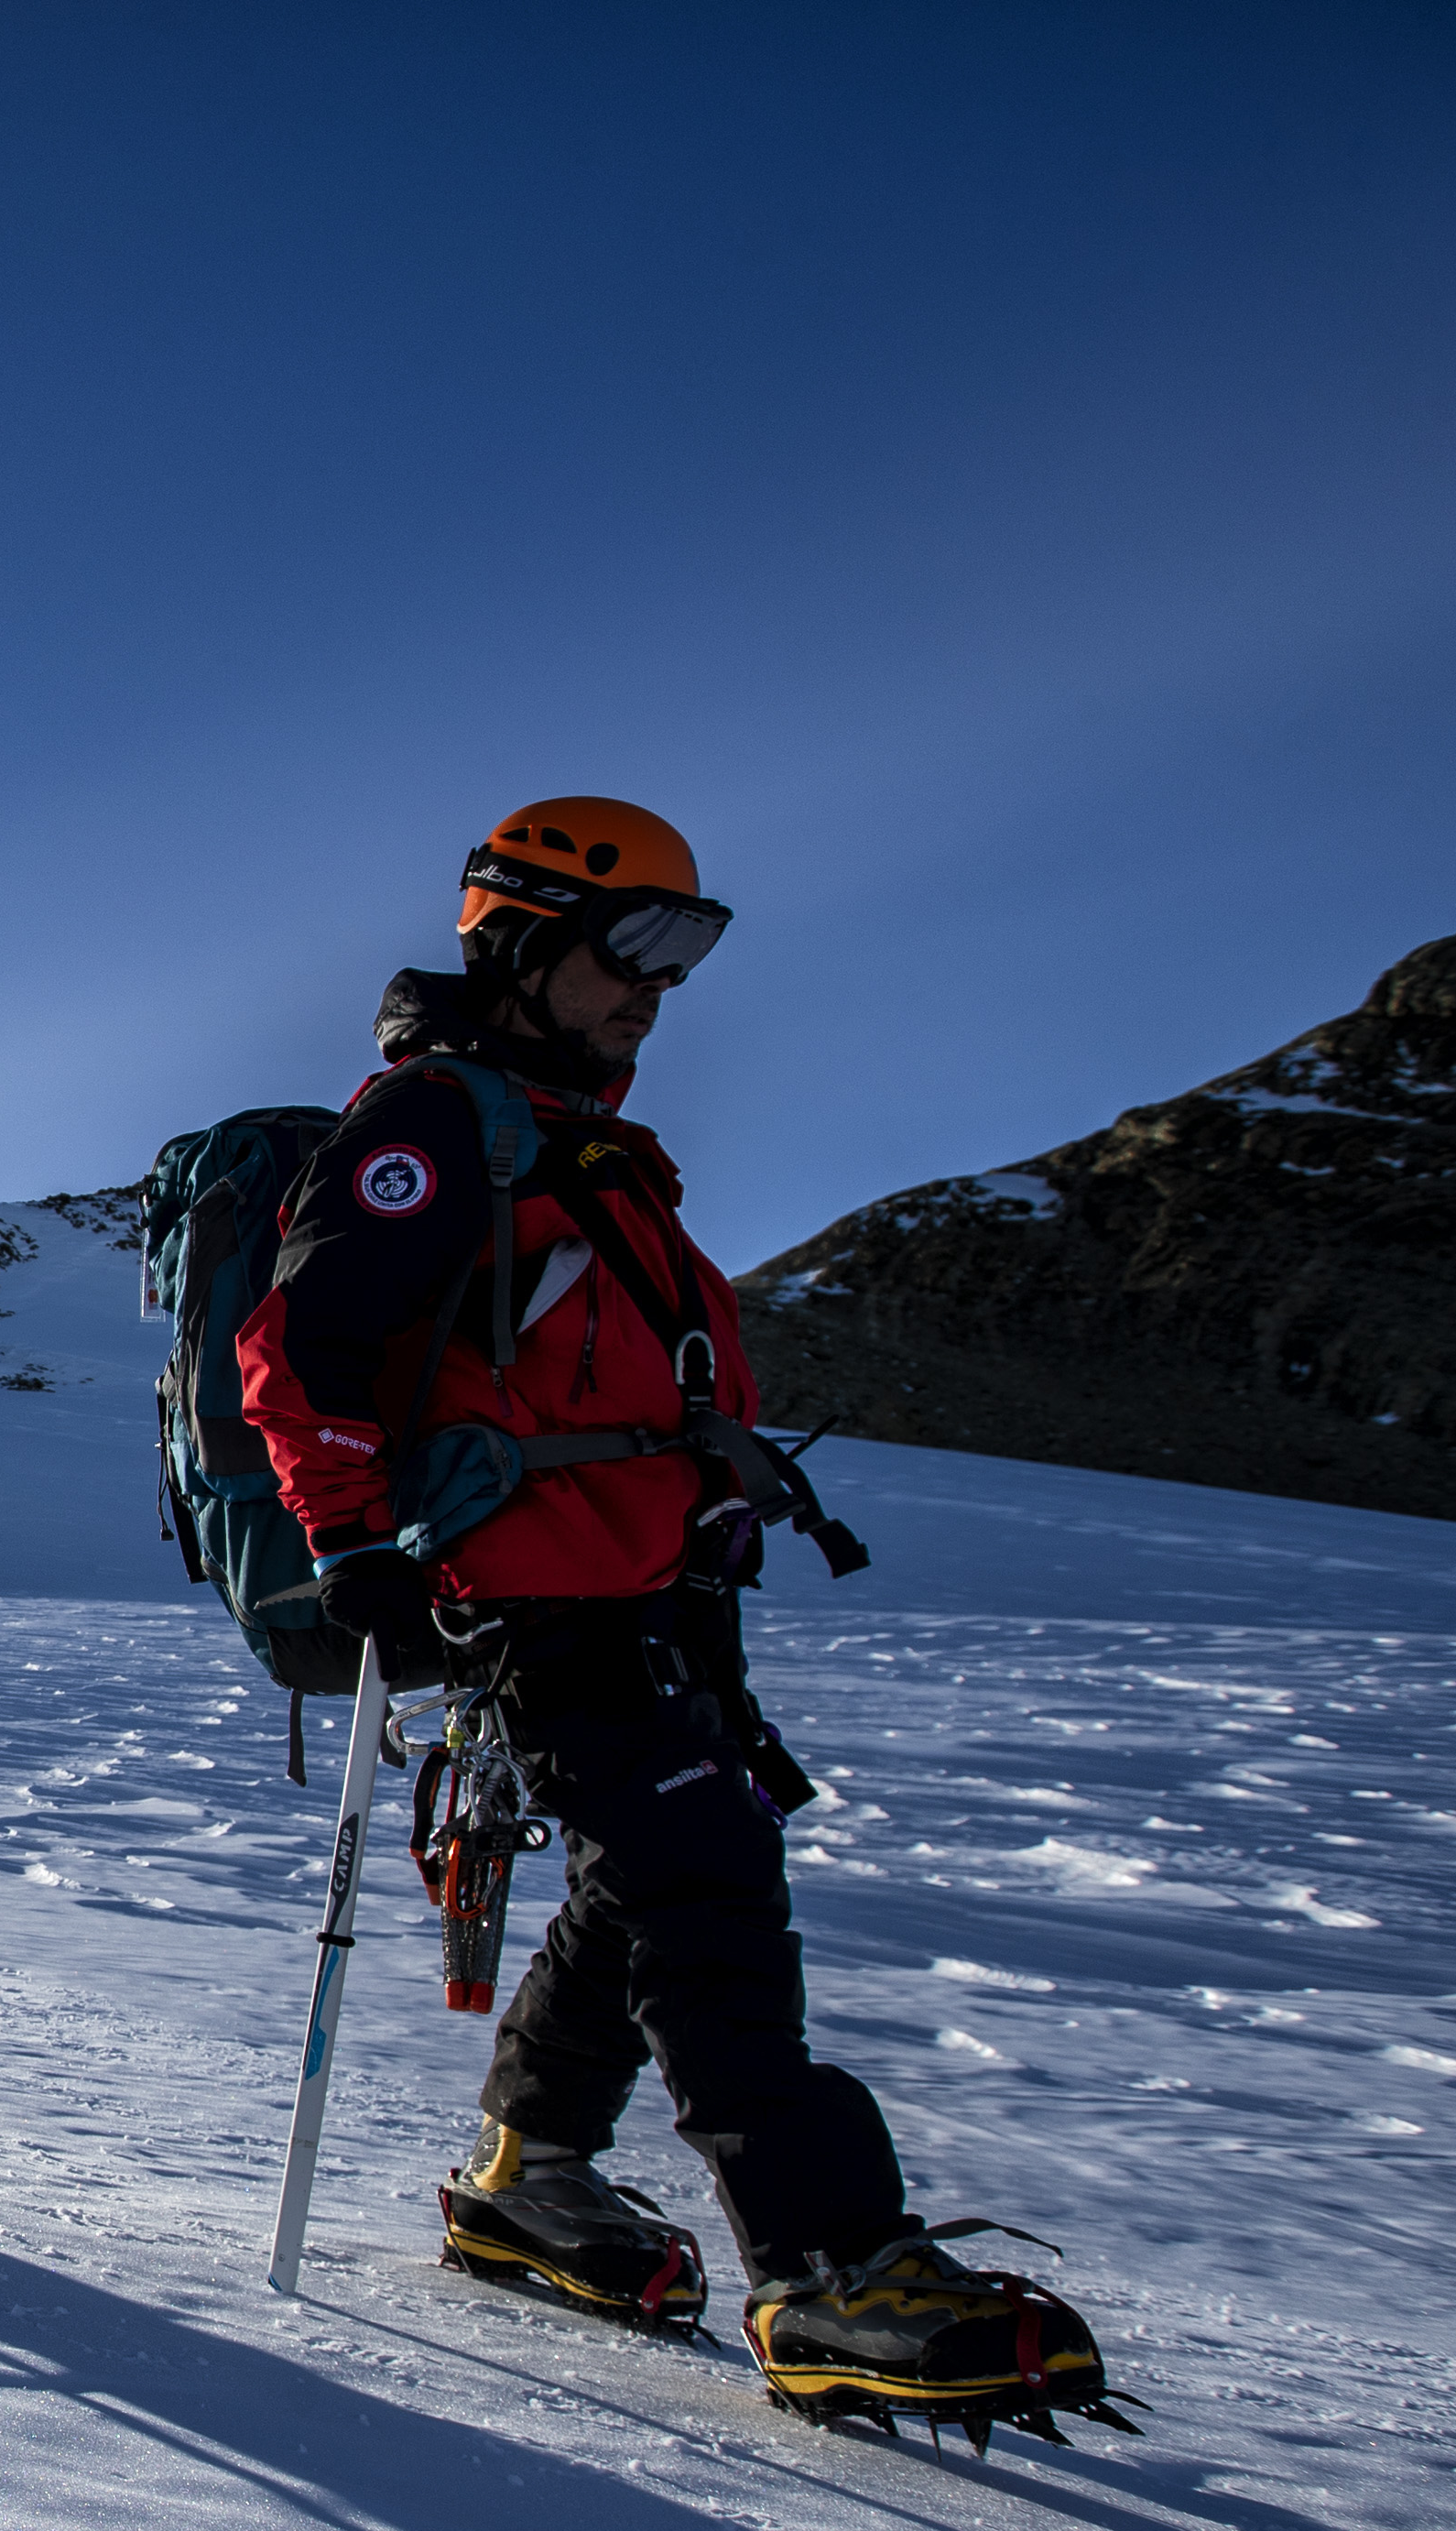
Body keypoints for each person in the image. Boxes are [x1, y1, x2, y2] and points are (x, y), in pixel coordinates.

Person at [235, 799, 1118, 2437]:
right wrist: (353, 1541)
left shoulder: (577, 1137)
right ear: (517, 936)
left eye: (686, 950)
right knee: (701, 1874)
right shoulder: (438, 1119)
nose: (659, 984)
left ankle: (528, 2173)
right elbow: (306, 1344)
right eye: (631, 945)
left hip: (640, 1583)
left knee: (673, 1868)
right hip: (522, 1582)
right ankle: (831, 2259)